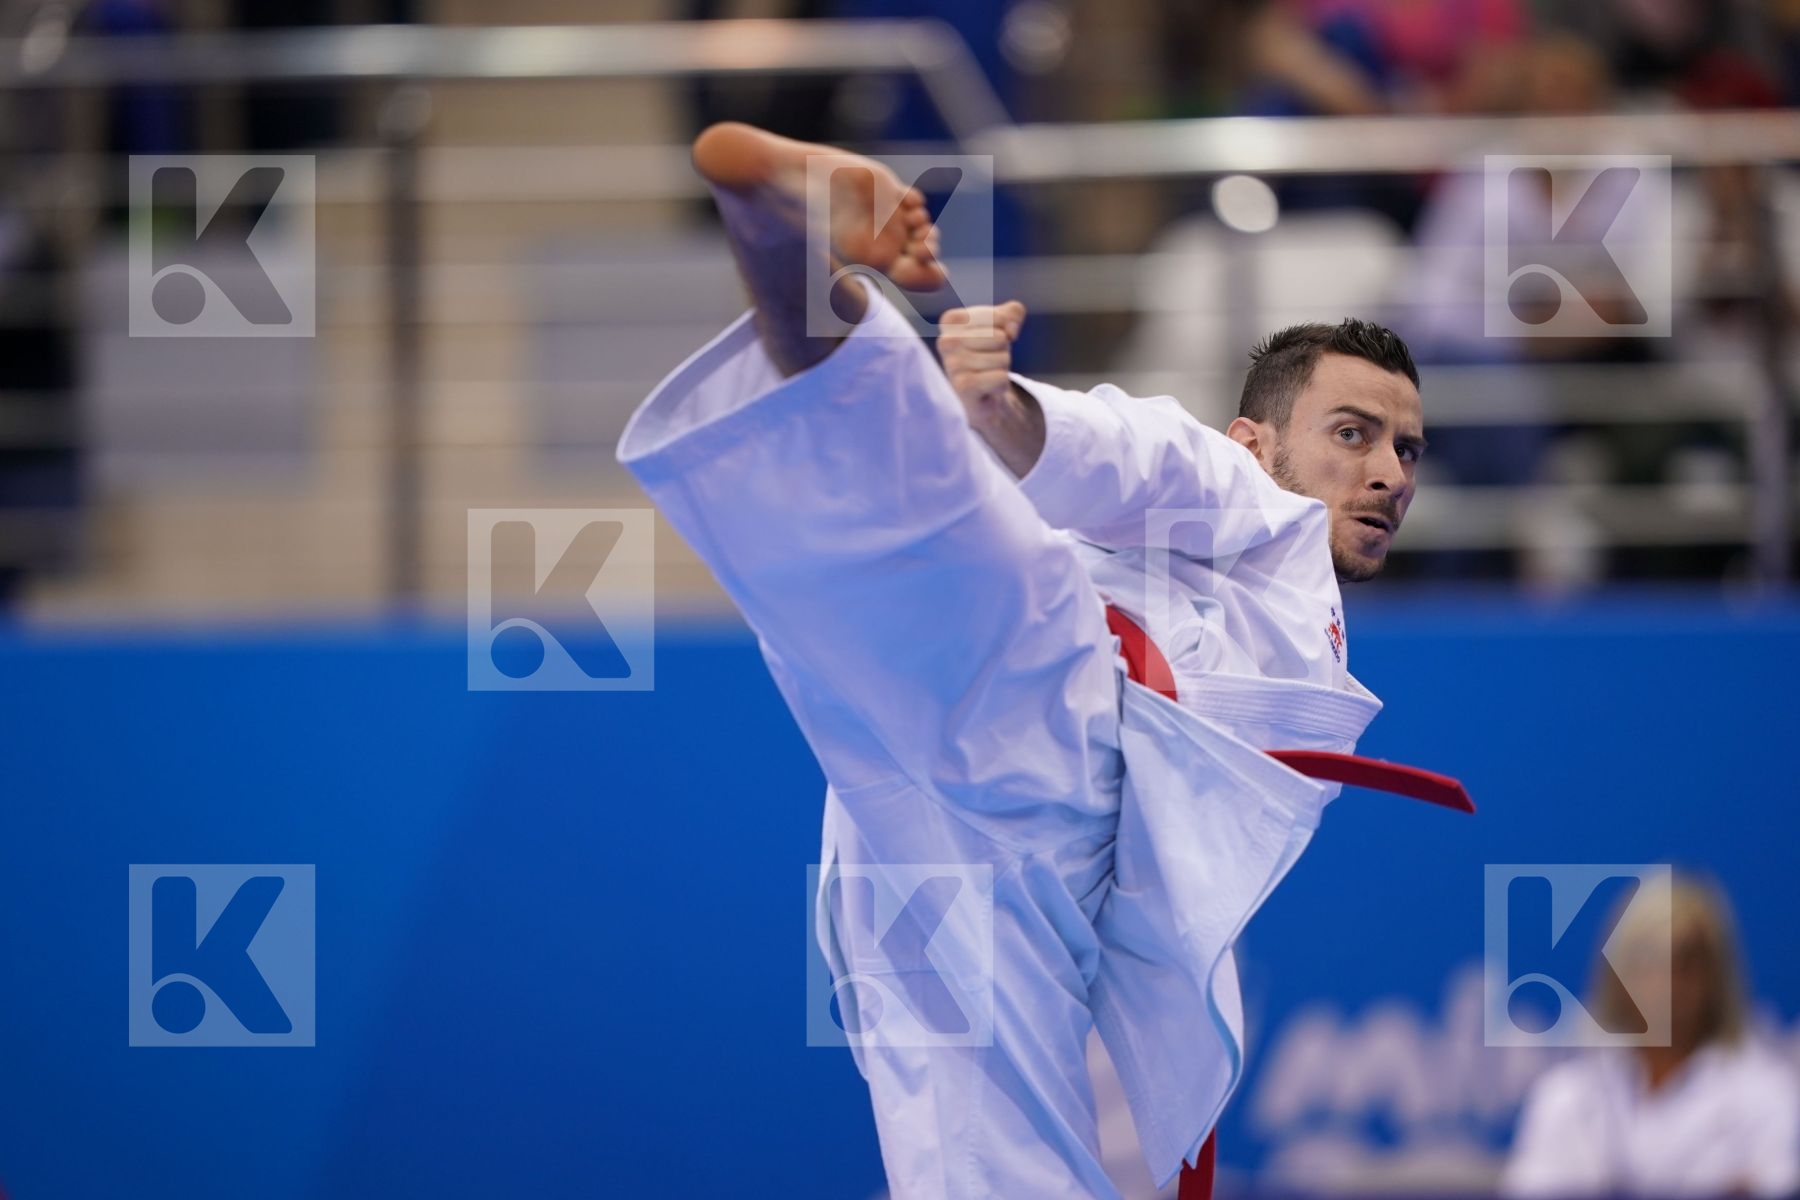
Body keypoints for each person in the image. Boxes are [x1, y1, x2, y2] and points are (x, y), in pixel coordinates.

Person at [615, 122, 1426, 1198]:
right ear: (1256, 442)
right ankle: (780, 216)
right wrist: (1005, 410)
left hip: (948, 844)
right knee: (898, 447)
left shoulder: (1271, 592)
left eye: (1408, 450)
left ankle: (765, 217)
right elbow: (1139, 456)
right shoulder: (1253, 506)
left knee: (985, 1174)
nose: (1387, 474)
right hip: (1053, 716)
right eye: (1354, 434)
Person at [1501, 875, 1800, 1198]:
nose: (1667, 983)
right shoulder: (1567, 1098)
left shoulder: (1767, 1098)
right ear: (1617, 972)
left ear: (1716, 977)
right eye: (1650, 962)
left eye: (1685, 964)